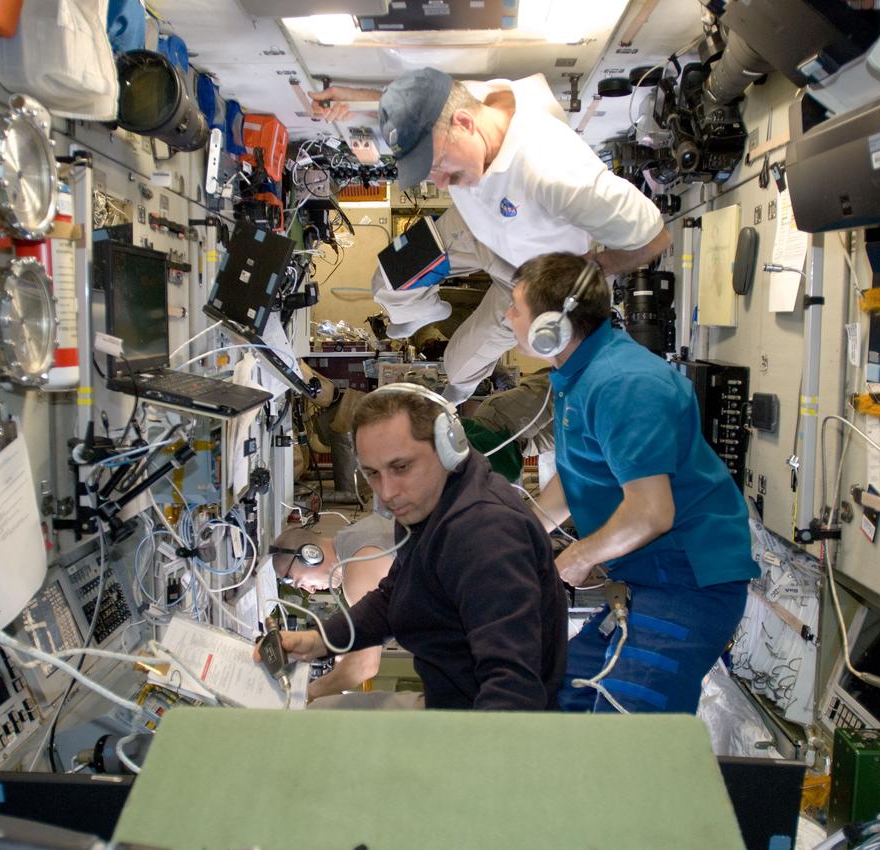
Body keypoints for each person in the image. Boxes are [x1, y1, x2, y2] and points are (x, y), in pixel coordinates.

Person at [310, 70, 670, 402]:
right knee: (386, 284)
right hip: (474, 225)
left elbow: (653, 239)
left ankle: (453, 395)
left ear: (466, 125)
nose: (436, 182)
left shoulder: (555, 170)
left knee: (457, 368)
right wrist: (353, 99)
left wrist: (592, 266)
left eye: (438, 167)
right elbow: (414, 102)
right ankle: (426, 308)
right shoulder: (471, 100)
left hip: (529, 275)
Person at [504, 252, 758, 714]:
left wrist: (578, 556)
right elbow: (582, 472)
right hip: (646, 584)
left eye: (515, 307)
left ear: (551, 325)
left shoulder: (623, 384)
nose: (506, 317)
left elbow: (650, 513)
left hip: (687, 587)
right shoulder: (581, 374)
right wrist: (519, 533)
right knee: (565, 700)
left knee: (624, 735)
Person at [260, 384, 567, 710]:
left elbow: (513, 690)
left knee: (317, 722)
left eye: (401, 467)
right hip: (452, 701)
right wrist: (321, 640)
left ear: (448, 448)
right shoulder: (433, 502)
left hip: (478, 721)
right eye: (373, 474)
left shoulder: (486, 537)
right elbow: (394, 594)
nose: (387, 492)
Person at [269, 514, 396, 702]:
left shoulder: (357, 568)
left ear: (310, 555)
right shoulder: (356, 534)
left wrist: (306, 695)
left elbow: (365, 665)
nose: (309, 590)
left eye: (300, 582)